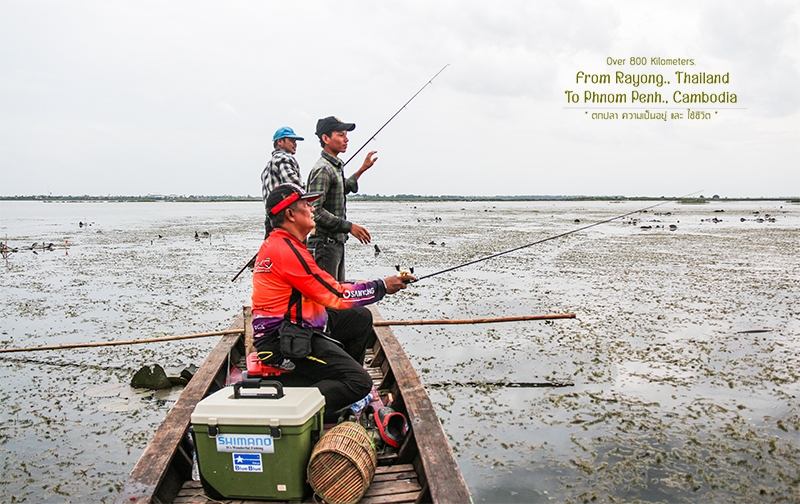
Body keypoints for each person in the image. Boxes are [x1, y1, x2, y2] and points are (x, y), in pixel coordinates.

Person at [251, 183, 412, 420]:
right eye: (306, 204)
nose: (312, 207)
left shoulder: (285, 244)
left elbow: (324, 285)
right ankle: (302, 411)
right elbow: (335, 295)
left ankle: (339, 385)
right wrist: (382, 286)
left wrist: (375, 285)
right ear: (290, 214)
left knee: (361, 318)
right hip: (284, 342)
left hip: (298, 325)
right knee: (360, 382)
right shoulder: (286, 250)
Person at [306, 116, 377, 281]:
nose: (346, 139)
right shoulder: (323, 169)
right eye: (340, 134)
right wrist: (349, 226)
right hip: (324, 245)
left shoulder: (334, 167)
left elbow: (340, 189)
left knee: (337, 297)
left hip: (335, 244)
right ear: (325, 138)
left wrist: (362, 169)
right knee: (328, 300)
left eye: (346, 134)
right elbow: (314, 211)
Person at [261, 126, 305, 234]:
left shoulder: (268, 166)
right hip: (286, 220)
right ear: (280, 142)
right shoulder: (284, 158)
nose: (295, 144)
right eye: (291, 140)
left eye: (295, 141)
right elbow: (294, 185)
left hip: (272, 219)